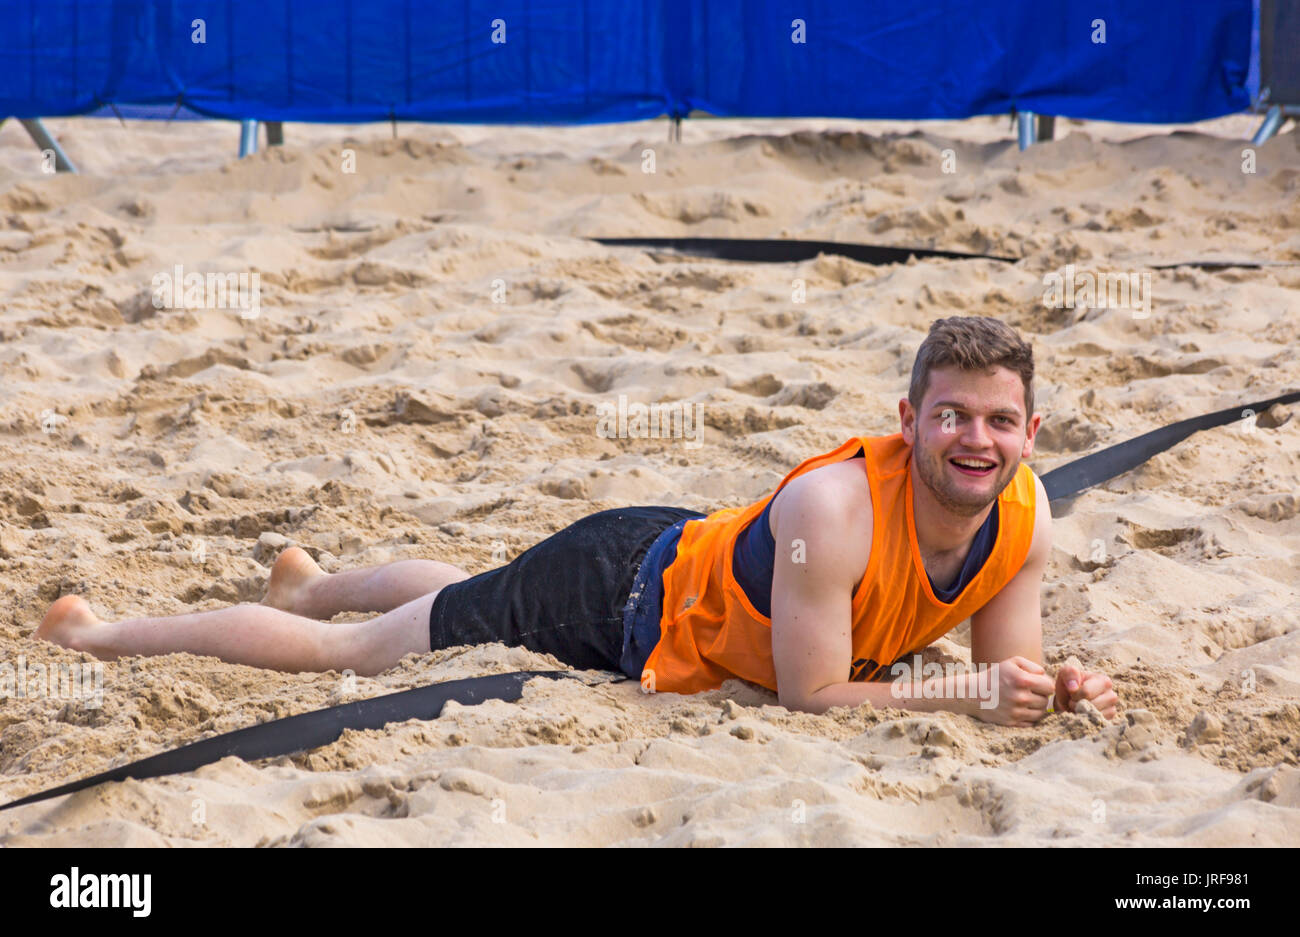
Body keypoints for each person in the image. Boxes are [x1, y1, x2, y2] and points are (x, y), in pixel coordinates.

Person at [38, 315, 1118, 725]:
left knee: (466, 593)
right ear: (907, 419)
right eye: (951, 416)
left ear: (1029, 432)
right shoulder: (832, 509)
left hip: (683, 560)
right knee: (356, 655)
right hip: (613, 595)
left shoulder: (1021, 516)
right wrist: (969, 696)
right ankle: (92, 634)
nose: (975, 440)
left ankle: (305, 578)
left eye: (999, 421)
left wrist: (1044, 686)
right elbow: (813, 697)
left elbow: (999, 671)